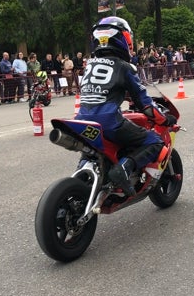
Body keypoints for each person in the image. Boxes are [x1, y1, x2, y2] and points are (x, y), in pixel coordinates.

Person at [75, 16, 176, 196]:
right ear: (123, 39)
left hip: (81, 120)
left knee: (91, 150)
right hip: (109, 122)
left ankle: (81, 178)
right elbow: (146, 106)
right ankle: (123, 168)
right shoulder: (124, 67)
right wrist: (164, 118)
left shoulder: (89, 65)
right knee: (156, 143)